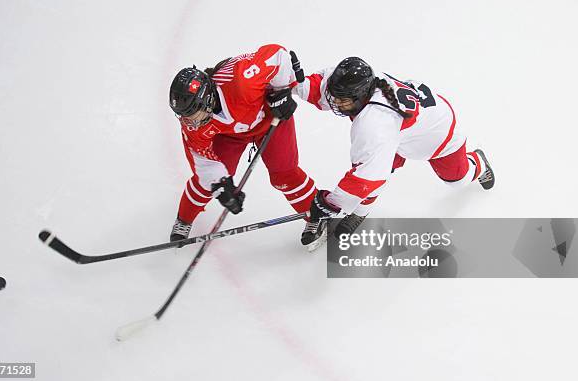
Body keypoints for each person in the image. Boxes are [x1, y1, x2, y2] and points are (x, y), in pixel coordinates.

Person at [293, 57, 495, 245]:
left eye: (342, 100)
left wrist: (330, 204)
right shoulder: (365, 84)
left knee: (458, 179)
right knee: (379, 167)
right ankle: (361, 211)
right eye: (335, 96)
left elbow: (366, 178)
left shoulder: (375, 124)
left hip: (437, 134)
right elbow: (322, 85)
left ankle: (478, 163)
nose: (336, 103)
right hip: (403, 129)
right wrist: (290, 86)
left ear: (361, 95)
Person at [168, 44, 317, 244]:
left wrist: (281, 92)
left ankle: (317, 216)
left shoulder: (241, 81)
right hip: (231, 135)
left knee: (284, 174)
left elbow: (277, 55)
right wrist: (220, 183)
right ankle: (183, 220)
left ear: (207, 99)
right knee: (204, 184)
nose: (191, 123)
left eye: (194, 115)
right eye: (185, 117)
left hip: (271, 119)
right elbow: (202, 159)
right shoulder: (193, 125)